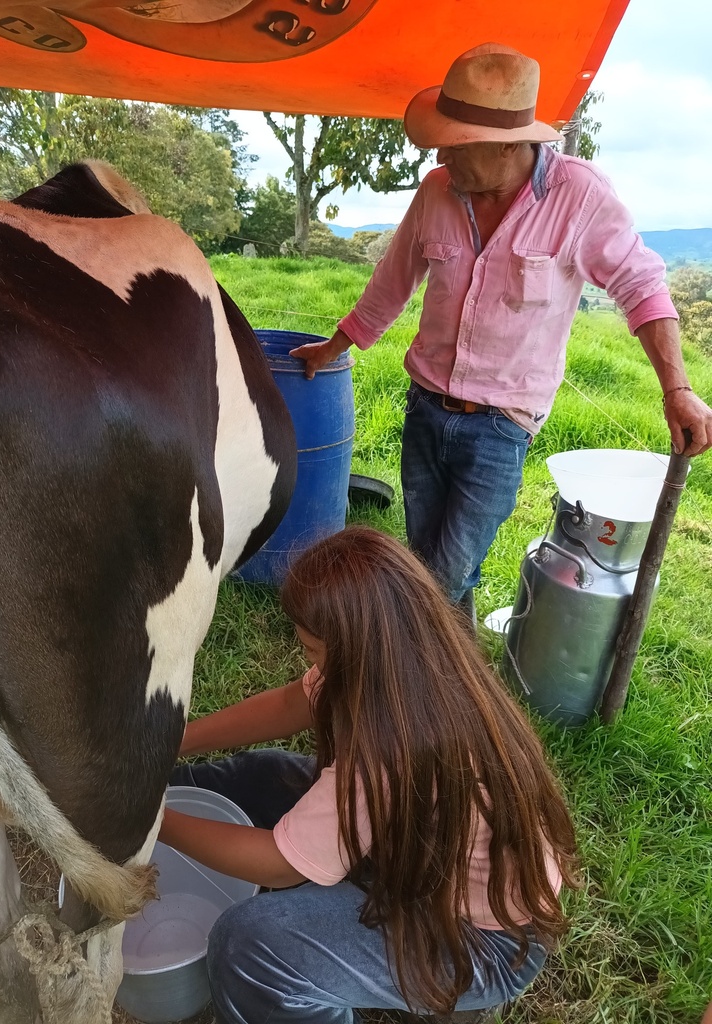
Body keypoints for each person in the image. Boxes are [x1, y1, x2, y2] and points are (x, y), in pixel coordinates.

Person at [289, 43, 712, 623]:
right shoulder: (437, 191)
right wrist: (334, 347)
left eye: (456, 143)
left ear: (512, 145)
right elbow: (392, 282)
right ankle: (456, 675)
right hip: (426, 406)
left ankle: (399, 670)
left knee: (442, 573)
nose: (440, 153)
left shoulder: (579, 196)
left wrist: (677, 388)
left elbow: (641, 286)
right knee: (432, 559)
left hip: (500, 426)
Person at [159, 526, 580, 1023]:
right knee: (264, 775)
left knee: (248, 945)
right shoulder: (409, 662)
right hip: (427, 859)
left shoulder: (389, 752)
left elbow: (279, 864)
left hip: (484, 945)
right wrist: (174, 741)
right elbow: (296, 701)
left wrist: (153, 822)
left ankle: (444, 1001)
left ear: (356, 650)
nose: (308, 663)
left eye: (313, 653)